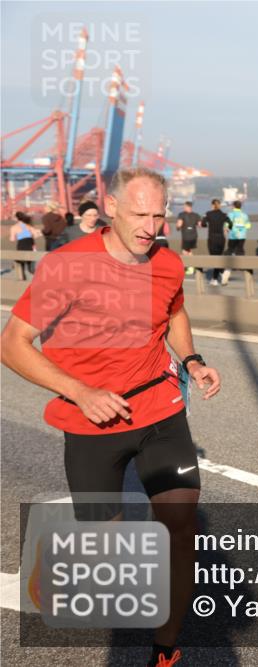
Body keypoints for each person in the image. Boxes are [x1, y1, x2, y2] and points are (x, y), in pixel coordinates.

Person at [0, 166, 221, 667]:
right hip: (92, 423)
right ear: (112, 207)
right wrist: (79, 390)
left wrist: (192, 362)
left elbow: (174, 313)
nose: (151, 226)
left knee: (180, 526)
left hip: (161, 409)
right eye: (140, 213)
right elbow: (12, 344)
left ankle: (165, 651)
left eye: (159, 215)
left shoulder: (167, 263)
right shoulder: (66, 266)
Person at [220, 200, 251, 286]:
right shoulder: (245, 215)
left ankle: (224, 267)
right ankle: (241, 266)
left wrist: (226, 230)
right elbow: (248, 226)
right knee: (240, 250)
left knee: (230, 250)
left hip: (233, 236)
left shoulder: (231, 214)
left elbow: (227, 225)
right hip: (242, 235)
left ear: (233, 206)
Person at [201, 199, 230, 285]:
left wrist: (206, 223)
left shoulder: (208, 214)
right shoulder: (224, 215)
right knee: (219, 257)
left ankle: (218, 276)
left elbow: (203, 224)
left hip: (212, 239)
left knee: (214, 258)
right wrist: (226, 228)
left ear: (212, 205)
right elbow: (230, 224)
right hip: (221, 239)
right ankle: (219, 275)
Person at [176, 201, 200, 275]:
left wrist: (177, 227)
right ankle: (192, 266)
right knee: (189, 251)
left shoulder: (181, 214)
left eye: (184, 206)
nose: (183, 207)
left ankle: (190, 267)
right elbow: (199, 224)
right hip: (194, 235)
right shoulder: (196, 215)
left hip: (186, 236)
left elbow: (179, 224)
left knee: (184, 251)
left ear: (186, 206)